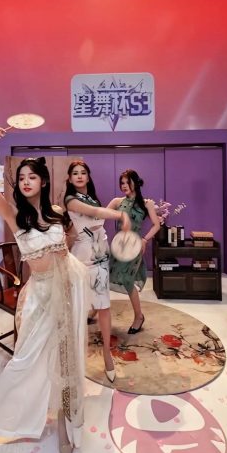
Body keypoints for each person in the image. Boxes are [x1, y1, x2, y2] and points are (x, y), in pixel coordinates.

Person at [0, 127, 89, 453]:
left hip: (68, 290)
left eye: (31, 177)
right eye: (21, 178)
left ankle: (65, 429)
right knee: (23, 363)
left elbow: (67, 248)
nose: (25, 182)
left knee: (66, 361)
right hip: (40, 296)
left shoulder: (56, 212)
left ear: (43, 181)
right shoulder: (14, 215)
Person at [64, 161, 130, 383]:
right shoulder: (70, 199)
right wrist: (120, 216)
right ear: (70, 178)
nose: (79, 176)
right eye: (75, 173)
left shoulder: (92, 198)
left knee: (103, 305)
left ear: (88, 176)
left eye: (83, 173)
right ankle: (73, 355)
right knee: (78, 306)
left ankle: (107, 354)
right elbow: (94, 213)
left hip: (101, 256)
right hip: (81, 258)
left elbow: (97, 214)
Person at [107, 169, 160, 334]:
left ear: (135, 183)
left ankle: (139, 317)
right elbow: (100, 215)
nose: (124, 186)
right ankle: (96, 310)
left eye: (127, 182)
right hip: (118, 246)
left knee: (127, 280)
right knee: (105, 276)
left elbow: (157, 225)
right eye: (122, 183)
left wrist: (145, 239)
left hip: (134, 247)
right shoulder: (117, 202)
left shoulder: (146, 203)